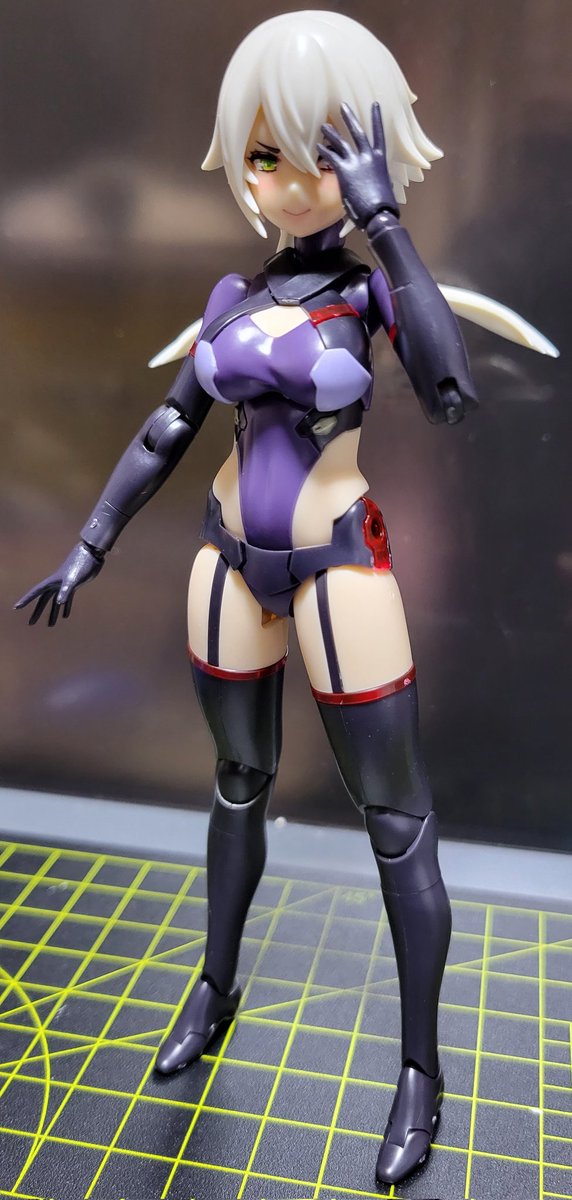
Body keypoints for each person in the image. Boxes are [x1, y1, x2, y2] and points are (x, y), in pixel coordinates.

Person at [15, 10, 528, 1185]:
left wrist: (387, 222)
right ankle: (214, 986)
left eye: (321, 153)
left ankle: (419, 1073)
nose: (291, 181)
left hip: (337, 564)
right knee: (237, 781)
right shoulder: (229, 299)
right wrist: (91, 544)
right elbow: (166, 428)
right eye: (264, 153)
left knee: (394, 819)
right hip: (225, 563)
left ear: (370, 152)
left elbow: (450, 390)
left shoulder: (375, 296)